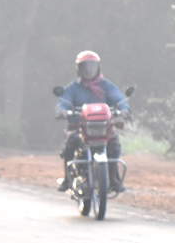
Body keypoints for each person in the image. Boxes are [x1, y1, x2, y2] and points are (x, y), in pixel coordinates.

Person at [56, 50, 130, 193]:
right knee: (70, 143)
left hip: (104, 128)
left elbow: (120, 99)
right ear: (79, 69)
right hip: (80, 127)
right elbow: (63, 101)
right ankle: (67, 178)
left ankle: (113, 178)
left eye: (92, 66)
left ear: (98, 67)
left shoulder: (107, 86)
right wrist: (62, 111)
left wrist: (124, 109)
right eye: (85, 67)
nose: (89, 70)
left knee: (114, 143)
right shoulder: (73, 88)